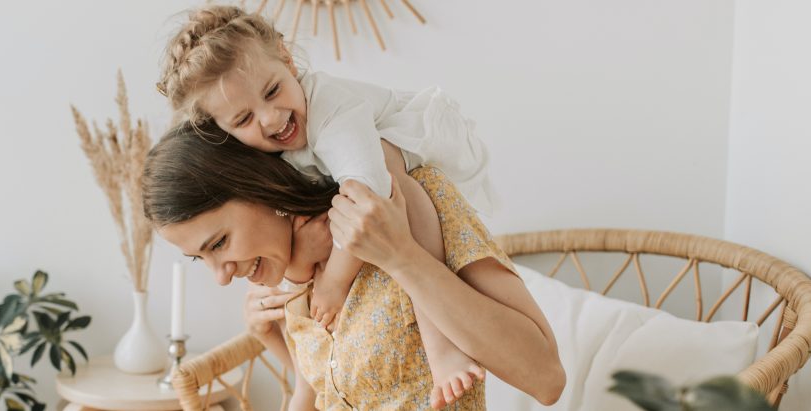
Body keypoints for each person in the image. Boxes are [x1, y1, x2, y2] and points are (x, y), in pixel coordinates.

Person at [156, 5, 497, 399]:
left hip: (415, 145)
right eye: (244, 119)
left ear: (287, 60)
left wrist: (334, 280)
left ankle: (442, 344)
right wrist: (296, 278)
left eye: (272, 91)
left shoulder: (332, 109)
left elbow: (370, 193)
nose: (270, 118)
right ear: (225, 133)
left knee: (389, 182)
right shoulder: (271, 170)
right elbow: (323, 383)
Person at [141, 123, 564, 409]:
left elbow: (545, 378)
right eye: (202, 258)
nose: (221, 276)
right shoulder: (291, 276)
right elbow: (350, 389)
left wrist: (402, 256)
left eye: (219, 243)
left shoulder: (411, 202)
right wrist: (268, 335)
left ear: (260, 188)